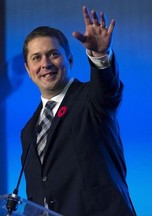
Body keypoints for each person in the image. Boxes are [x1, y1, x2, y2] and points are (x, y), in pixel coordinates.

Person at [20, 6, 136, 216]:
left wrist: (100, 55)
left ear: (70, 60)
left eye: (53, 54)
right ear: (28, 70)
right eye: (36, 58)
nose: (45, 64)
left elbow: (108, 90)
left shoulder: (91, 98)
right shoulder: (28, 132)